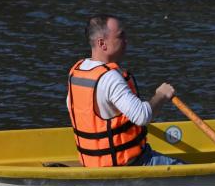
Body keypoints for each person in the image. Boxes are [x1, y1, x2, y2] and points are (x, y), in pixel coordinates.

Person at [66, 14, 182, 167]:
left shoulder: (77, 72)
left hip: (92, 165)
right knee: (189, 170)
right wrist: (161, 95)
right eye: (121, 36)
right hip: (131, 164)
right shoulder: (110, 78)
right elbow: (142, 116)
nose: (126, 41)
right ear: (102, 44)